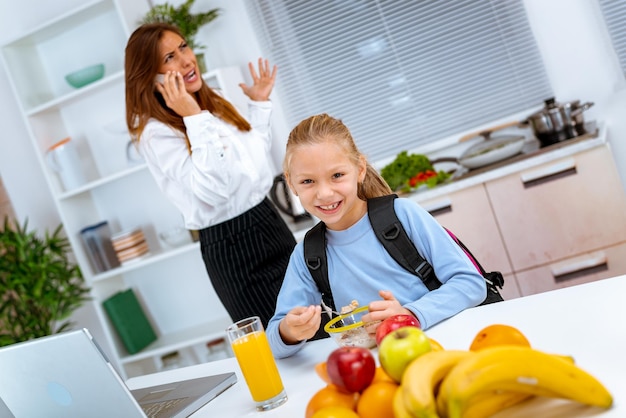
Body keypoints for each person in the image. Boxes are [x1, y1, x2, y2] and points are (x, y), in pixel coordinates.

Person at [266, 113, 486, 358]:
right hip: (377, 367)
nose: (325, 193)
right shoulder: (307, 254)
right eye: (308, 181)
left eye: (337, 176)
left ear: (359, 169)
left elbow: (471, 283)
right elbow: (274, 339)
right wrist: (289, 331)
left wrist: (409, 315)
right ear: (291, 184)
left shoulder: (403, 215)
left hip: (445, 349)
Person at [124, 23, 296, 327]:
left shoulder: (212, 100)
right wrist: (192, 117)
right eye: (169, 59)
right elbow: (214, 191)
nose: (187, 60)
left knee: (320, 324)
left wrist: (259, 105)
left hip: (269, 222)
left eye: (184, 47)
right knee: (282, 343)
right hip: (232, 246)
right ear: (150, 79)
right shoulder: (157, 134)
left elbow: (253, 167)